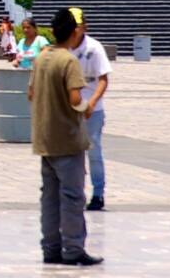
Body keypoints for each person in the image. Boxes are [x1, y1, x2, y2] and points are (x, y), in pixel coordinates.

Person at [28, 7, 104, 267]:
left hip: (44, 138)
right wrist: (87, 107)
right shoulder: (68, 60)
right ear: (73, 32)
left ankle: (50, 249)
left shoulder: (42, 58)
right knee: (72, 197)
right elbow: (75, 99)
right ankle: (73, 249)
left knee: (48, 197)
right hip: (67, 140)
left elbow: (31, 93)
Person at [70, 17, 114, 211]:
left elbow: (103, 79)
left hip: (92, 110)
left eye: (77, 26)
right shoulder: (64, 48)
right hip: (69, 109)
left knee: (93, 150)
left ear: (84, 27)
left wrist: (92, 103)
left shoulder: (94, 48)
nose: (74, 31)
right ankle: (73, 192)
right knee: (70, 153)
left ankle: (98, 193)